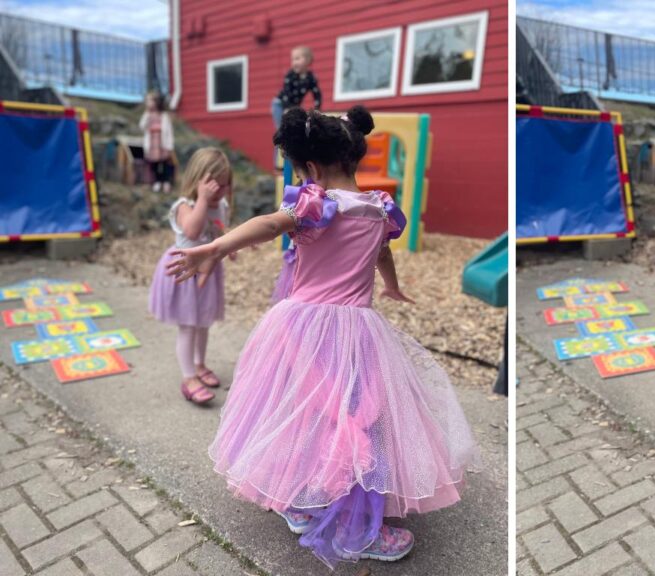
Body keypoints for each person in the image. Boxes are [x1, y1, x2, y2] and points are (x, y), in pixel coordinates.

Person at [165, 106, 479, 566]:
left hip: (300, 328)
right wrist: (390, 286)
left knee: (301, 410)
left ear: (311, 168)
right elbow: (382, 254)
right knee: (357, 419)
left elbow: (271, 224)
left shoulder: (314, 206)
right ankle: (355, 525)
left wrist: (214, 246)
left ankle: (302, 500)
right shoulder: (379, 208)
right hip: (357, 331)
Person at [148, 147, 232, 405]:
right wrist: (204, 202)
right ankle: (188, 378)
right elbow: (193, 232)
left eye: (224, 186)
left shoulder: (222, 205)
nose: (219, 192)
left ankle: (199, 364)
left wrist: (229, 245)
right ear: (198, 182)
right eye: (214, 187)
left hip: (208, 271)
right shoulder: (185, 206)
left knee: (203, 323)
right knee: (187, 326)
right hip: (185, 272)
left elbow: (218, 232)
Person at [271, 46, 322, 130]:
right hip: (280, 104)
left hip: (294, 106)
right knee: (282, 127)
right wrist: (287, 108)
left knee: (295, 126)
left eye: (297, 59)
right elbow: (287, 92)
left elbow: (317, 94)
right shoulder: (290, 75)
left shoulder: (311, 78)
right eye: (292, 59)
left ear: (307, 60)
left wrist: (317, 108)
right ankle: (280, 142)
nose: (294, 62)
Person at [139, 91, 175, 193]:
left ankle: (166, 181)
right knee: (154, 163)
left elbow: (169, 131)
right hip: (152, 143)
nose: (148, 103)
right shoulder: (147, 115)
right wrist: (147, 113)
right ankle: (157, 182)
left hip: (162, 143)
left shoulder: (164, 116)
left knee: (164, 163)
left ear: (156, 102)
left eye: (150, 100)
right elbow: (142, 126)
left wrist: (169, 146)